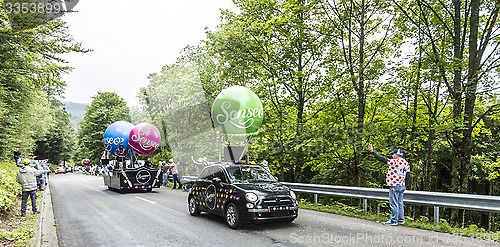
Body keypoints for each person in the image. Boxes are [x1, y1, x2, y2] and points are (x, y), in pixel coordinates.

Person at [368, 144, 410, 226]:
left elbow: (382, 159)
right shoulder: (406, 163)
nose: (392, 156)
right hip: (402, 185)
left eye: (393, 154)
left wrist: (373, 152)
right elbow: (408, 175)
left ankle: (393, 220)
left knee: (393, 203)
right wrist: (405, 185)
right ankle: (401, 220)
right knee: (400, 203)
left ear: (396, 155)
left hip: (394, 185)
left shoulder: (395, 162)